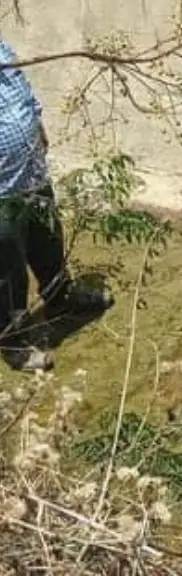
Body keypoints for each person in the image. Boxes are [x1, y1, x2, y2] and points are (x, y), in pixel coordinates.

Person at [0, 39, 112, 372]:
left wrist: (39, 129)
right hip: (1, 191)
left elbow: (25, 97)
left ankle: (60, 299)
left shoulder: (2, 49)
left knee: (48, 239)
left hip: (32, 173)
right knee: (6, 271)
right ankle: (13, 341)